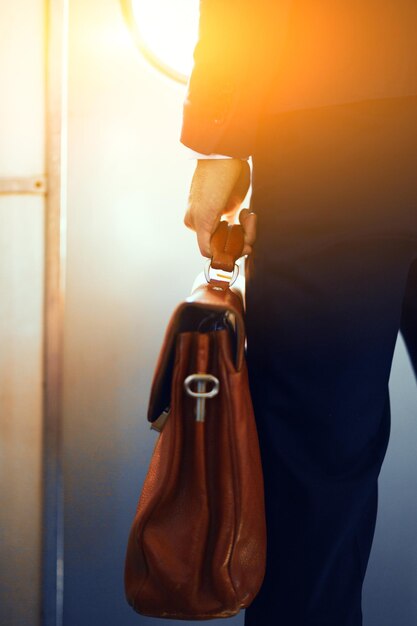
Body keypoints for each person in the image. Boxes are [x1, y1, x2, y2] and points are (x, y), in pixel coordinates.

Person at [179, 2, 417, 625]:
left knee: (315, 463)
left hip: (331, 120)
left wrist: (221, 138)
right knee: (312, 459)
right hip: (332, 119)